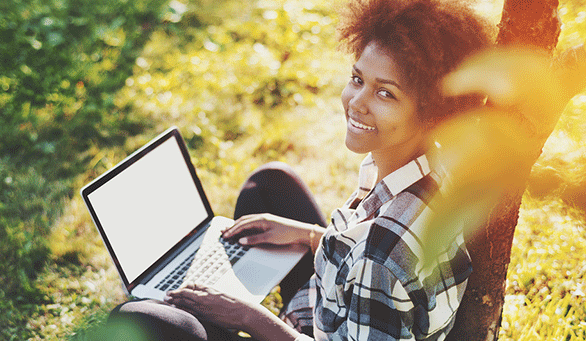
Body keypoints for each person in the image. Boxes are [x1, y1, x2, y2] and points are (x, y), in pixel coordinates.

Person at [106, 0, 493, 339]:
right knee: (270, 185)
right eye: (357, 79)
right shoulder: (424, 164)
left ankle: (201, 313)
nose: (356, 102)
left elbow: (383, 256)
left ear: (432, 112)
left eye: (385, 93)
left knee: (140, 319)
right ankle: (208, 305)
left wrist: (247, 316)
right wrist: (308, 235)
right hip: (337, 310)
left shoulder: (381, 256)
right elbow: (380, 254)